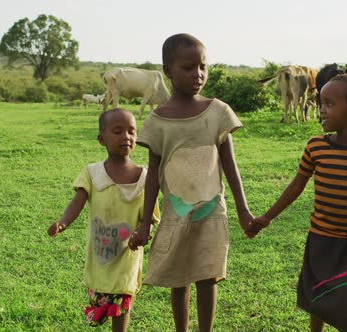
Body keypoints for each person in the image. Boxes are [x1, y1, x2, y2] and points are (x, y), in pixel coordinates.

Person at [127, 33, 256, 332]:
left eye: (203, 66)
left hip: (212, 210)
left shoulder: (218, 112)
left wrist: (243, 210)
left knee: (208, 275)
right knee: (180, 276)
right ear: (168, 71)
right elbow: (153, 177)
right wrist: (146, 222)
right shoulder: (158, 121)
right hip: (176, 212)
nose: (198, 74)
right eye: (188, 67)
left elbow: (230, 166)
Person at [251, 74, 347, 332]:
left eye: (328, 104)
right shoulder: (316, 147)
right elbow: (296, 185)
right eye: (320, 103)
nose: (320, 110)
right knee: (317, 298)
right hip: (321, 238)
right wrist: (267, 217)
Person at [47, 108, 159, 332]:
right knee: (101, 299)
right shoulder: (92, 173)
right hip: (100, 254)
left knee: (123, 299)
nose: (126, 137)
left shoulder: (146, 177)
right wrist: (63, 222)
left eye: (131, 132)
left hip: (128, 252)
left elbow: (150, 217)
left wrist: (143, 232)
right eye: (117, 131)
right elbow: (78, 201)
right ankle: (99, 312)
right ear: (101, 139)